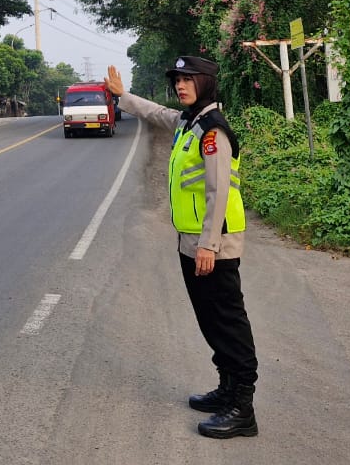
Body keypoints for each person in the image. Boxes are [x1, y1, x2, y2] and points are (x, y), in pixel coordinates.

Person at [105, 56, 259, 440]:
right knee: (210, 320)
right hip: (191, 241)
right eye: (177, 80)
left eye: (188, 79)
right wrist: (123, 96)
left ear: (205, 82)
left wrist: (208, 245)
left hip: (214, 245)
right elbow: (157, 113)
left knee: (228, 323)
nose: (180, 85)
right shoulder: (189, 123)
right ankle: (226, 389)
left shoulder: (213, 131)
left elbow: (218, 191)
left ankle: (242, 408)